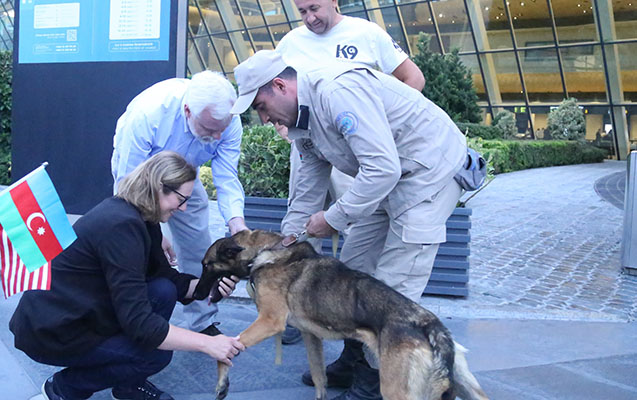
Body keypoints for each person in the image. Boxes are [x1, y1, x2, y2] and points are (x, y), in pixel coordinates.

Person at [230, 50, 467, 400]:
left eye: (262, 107)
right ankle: (355, 361)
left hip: (426, 175)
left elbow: (382, 168)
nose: (264, 118)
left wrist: (333, 218)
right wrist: (284, 243)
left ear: (280, 85)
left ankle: (372, 386)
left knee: (391, 288)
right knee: (349, 274)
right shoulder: (301, 122)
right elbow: (307, 189)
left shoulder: (336, 92)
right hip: (382, 180)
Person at [10, 152, 245, 400]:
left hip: (85, 311)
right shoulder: (120, 227)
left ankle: (127, 385)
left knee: (162, 290)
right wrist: (207, 343)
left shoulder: (141, 217)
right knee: (155, 354)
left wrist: (207, 288)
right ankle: (63, 388)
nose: (184, 207)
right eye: (181, 199)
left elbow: (165, 278)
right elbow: (140, 324)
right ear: (158, 188)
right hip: (53, 331)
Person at [275, 0, 426, 345]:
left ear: (334, 2)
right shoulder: (290, 43)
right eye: (302, 11)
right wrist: (283, 127)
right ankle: (300, 312)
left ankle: (357, 327)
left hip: (357, 150)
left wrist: (379, 128)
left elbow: (412, 78)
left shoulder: (367, 33)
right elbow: (275, 92)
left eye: (315, 8)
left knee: (354, 225)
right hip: (310, 147)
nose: (310, 18)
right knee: (302, 223)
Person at [111, 70, 249, 336]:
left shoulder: (228, 120)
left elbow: (227, 177)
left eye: (222, 129)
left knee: (200, 246)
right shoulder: (148, 114)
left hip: (188, 174)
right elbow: (127, 183)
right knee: (139, 248)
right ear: (188, 111)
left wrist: (237, 223)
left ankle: (202, 321)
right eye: (209, 130)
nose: (218, 137)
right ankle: (136, 319)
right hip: (141, 176)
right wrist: (154, 229)